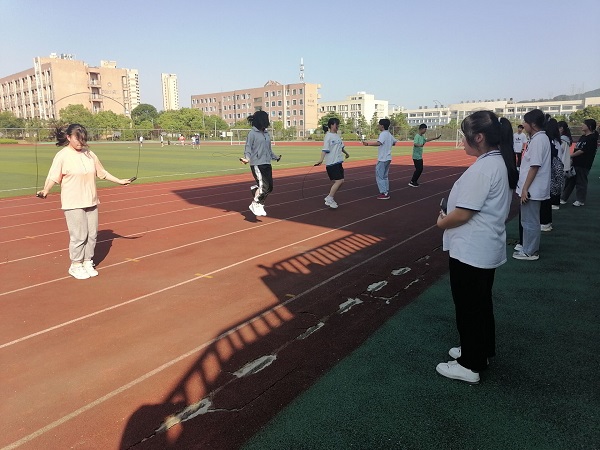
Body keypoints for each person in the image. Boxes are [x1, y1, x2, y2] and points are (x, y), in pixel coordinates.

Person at [435, 110, 518, 384]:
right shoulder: (499, 161)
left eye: (465, 136)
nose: (462, 141)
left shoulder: (484, 168)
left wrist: (442, 222)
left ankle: (470, 365)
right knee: (480, 304)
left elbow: (463, 213)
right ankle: (479, 351)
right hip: (483, 247)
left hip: (471, 250)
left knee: (468, 307)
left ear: (479, 137)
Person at [36, 124, 132, 280]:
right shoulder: (62, 156)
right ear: (68, 137)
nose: (81, 142)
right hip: (73, 202)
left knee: (92, 235)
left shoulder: (89, 154)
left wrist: (119, 181)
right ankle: (75, 265)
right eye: (77, 139)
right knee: (79, 236)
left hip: (91, 200)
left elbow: (102, 173)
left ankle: (87, 261)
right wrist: (45, 190)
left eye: (83, 139)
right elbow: (53, 176)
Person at [513, 109, 551, 261]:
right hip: (532, 188)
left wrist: (525, 189)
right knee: (527, 220)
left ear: (533, 124)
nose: (523, 124)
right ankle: (528, 247)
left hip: (532, 189)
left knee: (530, 221)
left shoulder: (539, 140)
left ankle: (530, 251)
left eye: (525, 122)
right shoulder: (537, 139)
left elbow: (534, 166)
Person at [240, 110, 281, 217]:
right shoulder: (252, 133)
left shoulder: (266, 133)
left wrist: (275, 157)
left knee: (270, 187)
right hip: (257, 163)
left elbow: (268, 149)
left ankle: (256, 192)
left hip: (267, 163)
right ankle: (256, 203)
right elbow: (248, 147)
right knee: (264, 187)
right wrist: (247, 159)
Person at [561, 119, 598, 207]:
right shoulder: (583, 137)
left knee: (581, 182)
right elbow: (577, 149)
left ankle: (580, 200)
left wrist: (570, 156)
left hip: (583, 164)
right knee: (570, 181)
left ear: (589, 126)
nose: (582, 125)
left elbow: (582, 150)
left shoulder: (592, 138)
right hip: (576, 163)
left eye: (584, 124)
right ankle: (564, 198)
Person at [315, 117, 350, 209]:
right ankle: (329, 198)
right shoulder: (328, 136)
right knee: (339, 181)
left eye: (338, 124)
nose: (337, 126)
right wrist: (321, 160)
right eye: (336, 124)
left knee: (341, 181)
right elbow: (324, 149)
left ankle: (329, 197)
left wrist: (346, 153)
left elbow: (341, 147)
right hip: (332, 163)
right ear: (331, 125)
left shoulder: (337, 136)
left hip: (338, 162)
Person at [362, 118, 397, 199]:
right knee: (385, 176)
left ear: (382, 126)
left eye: (379, 125)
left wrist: (367, 144)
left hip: (383, 158)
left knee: (379, 175)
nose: (378, 126)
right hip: (388, 157)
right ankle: (386, 190)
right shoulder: (389, 134)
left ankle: (384, 193)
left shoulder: (383, 134)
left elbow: (379, 143)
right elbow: (394, 142)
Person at [540, 119, 563, 231]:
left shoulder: (547, 140)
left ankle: (545, 222)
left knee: (545, 198)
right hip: (554, 170)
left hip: (548, 171)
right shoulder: (556, 141)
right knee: (548, 197)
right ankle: (547, 222)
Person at [556, 120, 573, 210]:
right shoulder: (565, 139)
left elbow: (560, 152)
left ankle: (556, 201)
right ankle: (558, 199)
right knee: (560, 183)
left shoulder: (562, 139)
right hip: (564, 164)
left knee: (557, 183)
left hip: (561, 164)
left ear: (561, 129)